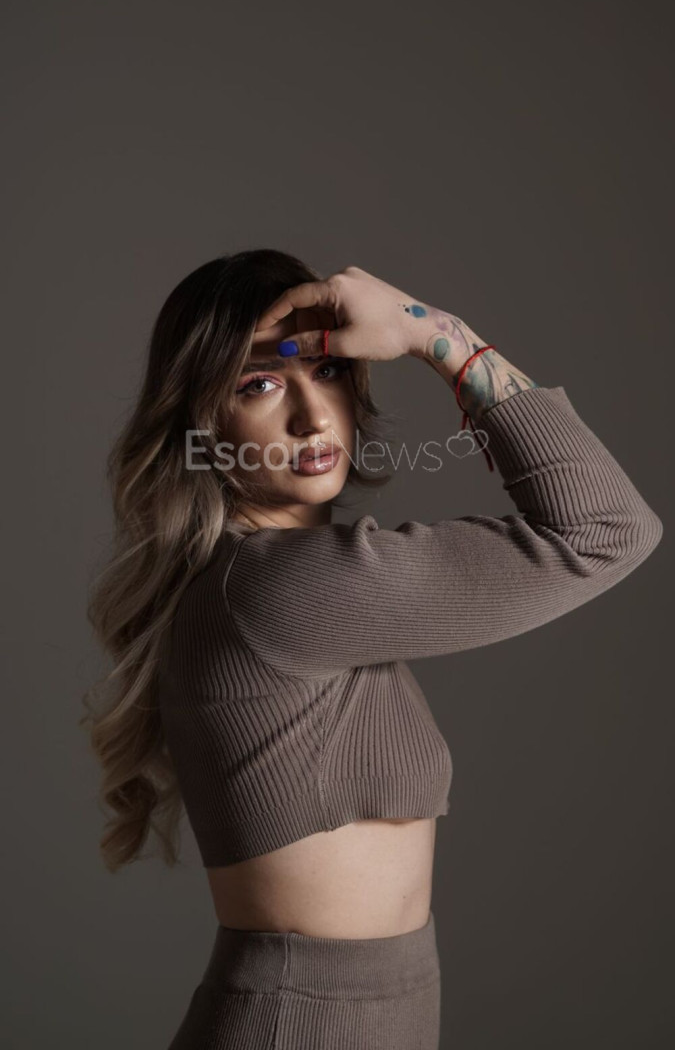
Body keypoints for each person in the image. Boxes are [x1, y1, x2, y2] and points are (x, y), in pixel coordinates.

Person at [83, 250, 662, 1050]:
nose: (311, 417)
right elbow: (606, 529)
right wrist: (440, 336)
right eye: (257, 386)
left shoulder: (259, 585)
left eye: (325, 372)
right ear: (202, 427)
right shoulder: (275, 589)